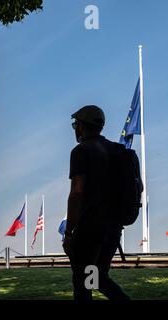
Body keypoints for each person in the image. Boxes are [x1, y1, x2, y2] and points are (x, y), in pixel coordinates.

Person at [63, 105, 130, 300]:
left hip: (89, 230)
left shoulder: (81, 151)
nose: (75, 128)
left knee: (83, 282)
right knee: (97, 278)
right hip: (114, 229)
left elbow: (77, 192)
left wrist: (68, 232)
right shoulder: (119, 151)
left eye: (76, 124)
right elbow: (139, 187)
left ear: (82, 126)